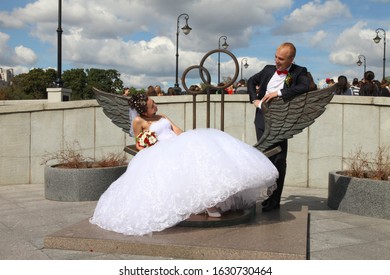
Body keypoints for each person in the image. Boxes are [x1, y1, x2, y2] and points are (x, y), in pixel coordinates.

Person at [90, 93, 279, 235]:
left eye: (154, 103)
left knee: (203, 158)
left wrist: (188, 141)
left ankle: (211, 202)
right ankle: (207, 206)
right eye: (151, 105)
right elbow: (140, 142)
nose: (155, 106)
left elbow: (177, 129)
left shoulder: (161, 115)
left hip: (177, 143)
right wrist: (149, 144)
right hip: (159, 150)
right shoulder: (139, 121)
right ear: (142, 110)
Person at [247, 42, 310, 212]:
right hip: (261, 119)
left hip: (282, 121)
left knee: (279, 160)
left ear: (291, 59)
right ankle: (266, 196)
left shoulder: (299, 72)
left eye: (281, 59)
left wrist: (279, 93)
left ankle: (274, 200)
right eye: (276, 57)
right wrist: (255, 100)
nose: (277, 61)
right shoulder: (267, 70)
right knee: (265, 158)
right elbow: (250, 81)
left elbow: (306, 86)